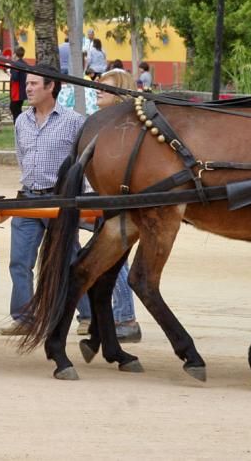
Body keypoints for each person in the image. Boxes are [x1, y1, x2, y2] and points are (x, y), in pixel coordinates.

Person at [0, 69, 91, 336]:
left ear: (50, 87)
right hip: (28, 199)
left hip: (60, 201)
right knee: (19, 262)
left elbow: (82, 164)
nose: (27, 88)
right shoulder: (21, 122)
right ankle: (25, 319)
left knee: (69, 261)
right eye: (27, 83)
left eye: (33, 84)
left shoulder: (74, 121)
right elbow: (21, 157)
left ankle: (87, 316)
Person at [93, 69, 141, 341]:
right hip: (98, 197)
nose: (98, 91)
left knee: (114, 259)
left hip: (112, 200)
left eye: (106, 88)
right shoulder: (101, 122)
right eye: (99, 87)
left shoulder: (124, 129)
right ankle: (93, 315)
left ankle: (125, 317)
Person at [8, 46, 28, 121]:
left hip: (16, 91)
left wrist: (10, 74)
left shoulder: (15, 64)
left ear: (15, 54)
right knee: (18, 108)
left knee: (14, 109)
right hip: (22, 90)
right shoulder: (24, 63)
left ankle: (19, 125)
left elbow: (15, 77)